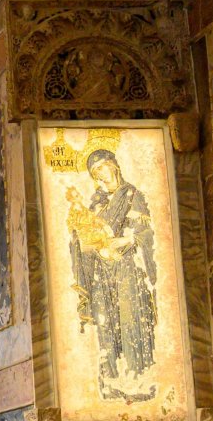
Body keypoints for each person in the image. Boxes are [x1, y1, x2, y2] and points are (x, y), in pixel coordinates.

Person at [67, 147, 158, 404]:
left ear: (114, 165)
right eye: (95, 173)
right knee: (106, 324)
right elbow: (84, 237)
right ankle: (112, 383)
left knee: (131, 322)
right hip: (101, 274)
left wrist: (122, 241)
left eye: (102, 169)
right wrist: (79, 238)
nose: (100, 176)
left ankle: (138, 381)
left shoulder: (132, 195)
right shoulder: (96, 203)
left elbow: (145, 233)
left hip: (127, 270)